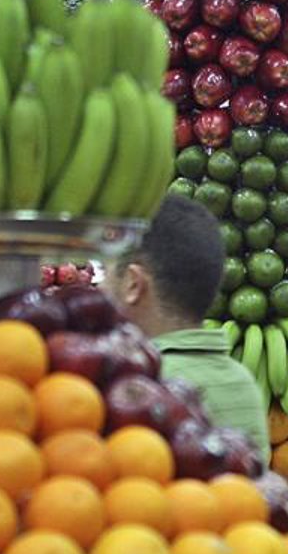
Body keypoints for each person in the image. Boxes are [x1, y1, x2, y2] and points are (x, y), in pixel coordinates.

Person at [108, 193, 270, 460]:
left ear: (132, 284)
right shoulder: (242, 381)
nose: (100, 288)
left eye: (106, 273)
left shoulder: (141, 387)